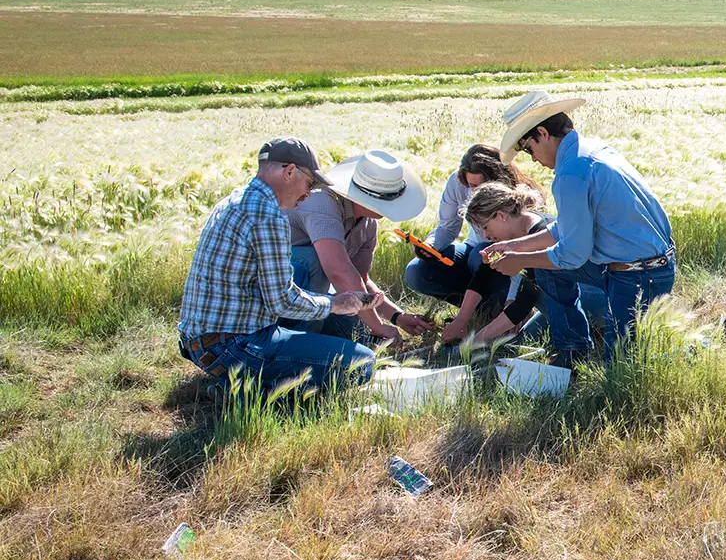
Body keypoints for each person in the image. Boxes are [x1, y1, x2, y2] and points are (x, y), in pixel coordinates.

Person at [481, 91, 676, 368]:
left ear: (543, 133)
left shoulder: (571, 173)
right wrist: (512, 247)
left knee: (623, 369)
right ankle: (572, 351)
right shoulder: (591, 149)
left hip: (638, 274)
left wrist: (519, 261)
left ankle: (710, 342)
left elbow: (572, 254)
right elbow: (568, 228)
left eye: (528, 148)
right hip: (640, 265)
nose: (532, 158)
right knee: (547, 268)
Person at [176, 137, 378, 395]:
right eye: (310, 183)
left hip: (203, 340)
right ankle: (246, 393)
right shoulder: (268, 216)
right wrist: (336, 303)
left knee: (349, 332)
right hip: (234, 344)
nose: (308, 194)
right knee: (361, 363)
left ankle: (249, 380)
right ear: (290, 172)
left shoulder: (237, 199)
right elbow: (282, 302)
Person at [287, 148, 433, 342]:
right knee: (314, 260)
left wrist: (397, 316)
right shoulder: (322, 202)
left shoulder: (367, 225)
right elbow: (337, 271)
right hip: (276, 286)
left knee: (357, 332)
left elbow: (360, 281)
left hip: (312, 293)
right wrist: (379, 327)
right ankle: (299, 341)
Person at [402, 144, 539, 312]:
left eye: (482, 186)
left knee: (480, 255)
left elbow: (522, 253)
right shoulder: (457, 183)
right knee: (416, 272)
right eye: (472, 186)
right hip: (473, 250)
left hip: (502, 259)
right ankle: (479, 310)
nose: (476, 192)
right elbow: (447, 226)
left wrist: (513, 300)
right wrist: (431, 246)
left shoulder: (515, 196)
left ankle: (500, 310)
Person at [438, 182, 556, 349]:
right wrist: (461, 320)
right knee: (517, 341)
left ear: (501, 216)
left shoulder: (540, 232)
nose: (486, 235)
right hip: (558, 301)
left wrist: (474, 342)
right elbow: (485, 273)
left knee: (519, 339)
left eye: (485, 227)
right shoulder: (515, 229)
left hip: (588, 299)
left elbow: (527, 297)